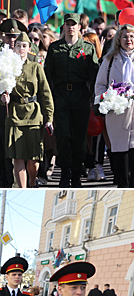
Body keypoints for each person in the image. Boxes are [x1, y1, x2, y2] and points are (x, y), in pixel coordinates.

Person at [44, 16, 98, 186]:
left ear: (80, 27)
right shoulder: (55, 48)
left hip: (81, 94)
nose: (70, 28)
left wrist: (92, 98)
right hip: (60, 95)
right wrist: (49, 100)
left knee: (79, 136)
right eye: (67, 24)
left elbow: (94, 76)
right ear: (64, 27)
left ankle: (77, 172)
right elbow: (48, 77)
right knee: (63, 136)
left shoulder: (88, 49)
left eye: (73, 25)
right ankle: (65, 172)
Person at [3, 33, 54, 188]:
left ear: (29, 48)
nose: (21, 49)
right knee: (17, 158)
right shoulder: (8, 68)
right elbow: (1, 89)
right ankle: (22, 189)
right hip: (14, 114)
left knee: (33, 160)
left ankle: (32, 181)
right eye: (18, 45)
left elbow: (45, 93)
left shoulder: (36, 67)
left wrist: (49, 117)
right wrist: (3, 98)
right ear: (14, 47)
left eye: (24, 46)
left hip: (33, 114)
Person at [94, 22, 134, 185]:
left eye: (131, 36)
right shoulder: (110, 59)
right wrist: (106, 98)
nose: (128, 39)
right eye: (125, 36)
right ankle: (122, 183)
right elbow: (100, 85)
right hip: (117, 112)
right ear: (119, 39)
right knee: (119, 153)